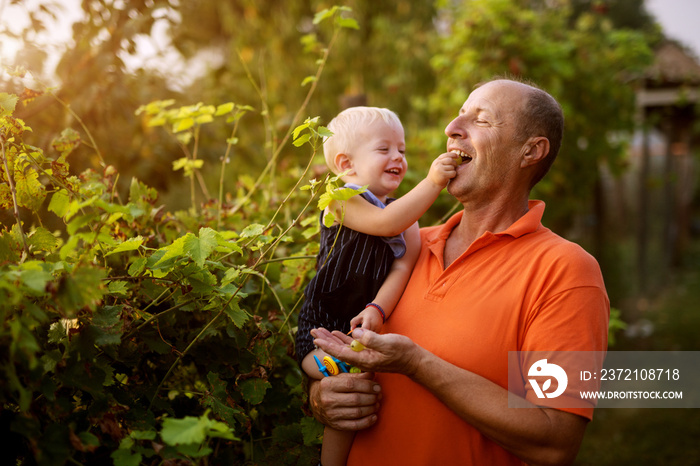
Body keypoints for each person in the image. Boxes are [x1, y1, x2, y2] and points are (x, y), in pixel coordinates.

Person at [308, 79, 610, 465]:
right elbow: (334, 350)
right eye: (460, 113)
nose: (452, 126)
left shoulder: (567, 272)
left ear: (530, 151)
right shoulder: (400, 249)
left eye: (480, 120)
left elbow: (555, 441)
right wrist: (324, 399)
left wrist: (418, 365)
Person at [295, 106, 458, 466]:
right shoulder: (339, 198)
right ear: (346, 163)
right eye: (384, 149)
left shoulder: (404, 215)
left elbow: (403, 265)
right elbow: (386, 224)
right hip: (322, 324)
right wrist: (432, 183)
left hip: (360, 326)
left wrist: (378, 308)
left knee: (360, 388)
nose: (398, 157)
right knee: (346, 387)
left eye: (401, 149)